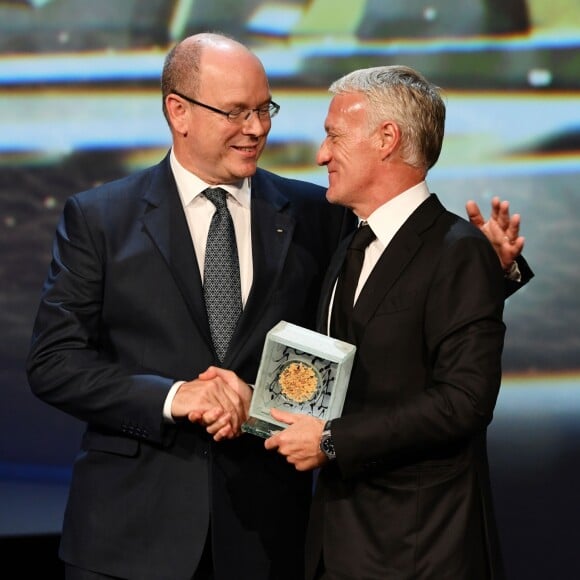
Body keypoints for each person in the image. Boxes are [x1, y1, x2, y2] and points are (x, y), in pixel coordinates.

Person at [26, 33, 530, 580]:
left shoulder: (319, 213)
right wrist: (174, 397)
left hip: (269, 534)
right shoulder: (100, 218)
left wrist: (491, 271)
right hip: (129, 534)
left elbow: (397, 295)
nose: (258, 128)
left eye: (264, 108)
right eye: (236, 111)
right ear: (179, 111)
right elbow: (54, 361)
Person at [258, 65, 523, 579]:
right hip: (340, 541)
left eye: (334, 136)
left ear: (387, 138)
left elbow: (464, 401)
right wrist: (251, 397)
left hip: (419, 550)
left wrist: (333, 440)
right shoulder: (351, 244)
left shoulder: (457, 250)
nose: (322, 154)